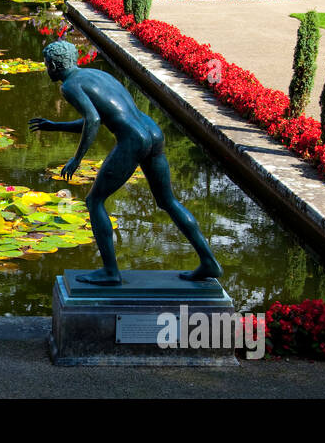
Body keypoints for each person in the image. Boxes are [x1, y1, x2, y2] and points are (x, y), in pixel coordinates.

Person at [30, 41, 223, 285]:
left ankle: (111, 272)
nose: (47, 67)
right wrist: (55, 126)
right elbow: (105, 117)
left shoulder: (69, 86)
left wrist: (76, 159)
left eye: (47, 63)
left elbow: (93, 120)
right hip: (152, 133)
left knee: (94, 200)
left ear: (55, 64)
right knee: (168, 201)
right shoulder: (97, 74)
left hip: (134, 140)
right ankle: (208, 261)